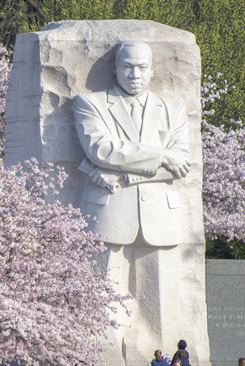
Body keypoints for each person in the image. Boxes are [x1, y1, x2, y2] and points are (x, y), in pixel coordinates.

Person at [73, 40, 191, 359]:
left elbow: (181, 164)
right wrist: (161, 154)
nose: (134, 74)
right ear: (115, 67)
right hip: (107, 213)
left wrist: (126, 174)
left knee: (161, 309)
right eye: (127, 66)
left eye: (141, 67)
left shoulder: (173, 109)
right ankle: (101, 356)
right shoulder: (90, 103)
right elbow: (101, 150)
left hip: (160, 217)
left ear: (152, 70)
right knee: (101, 301)